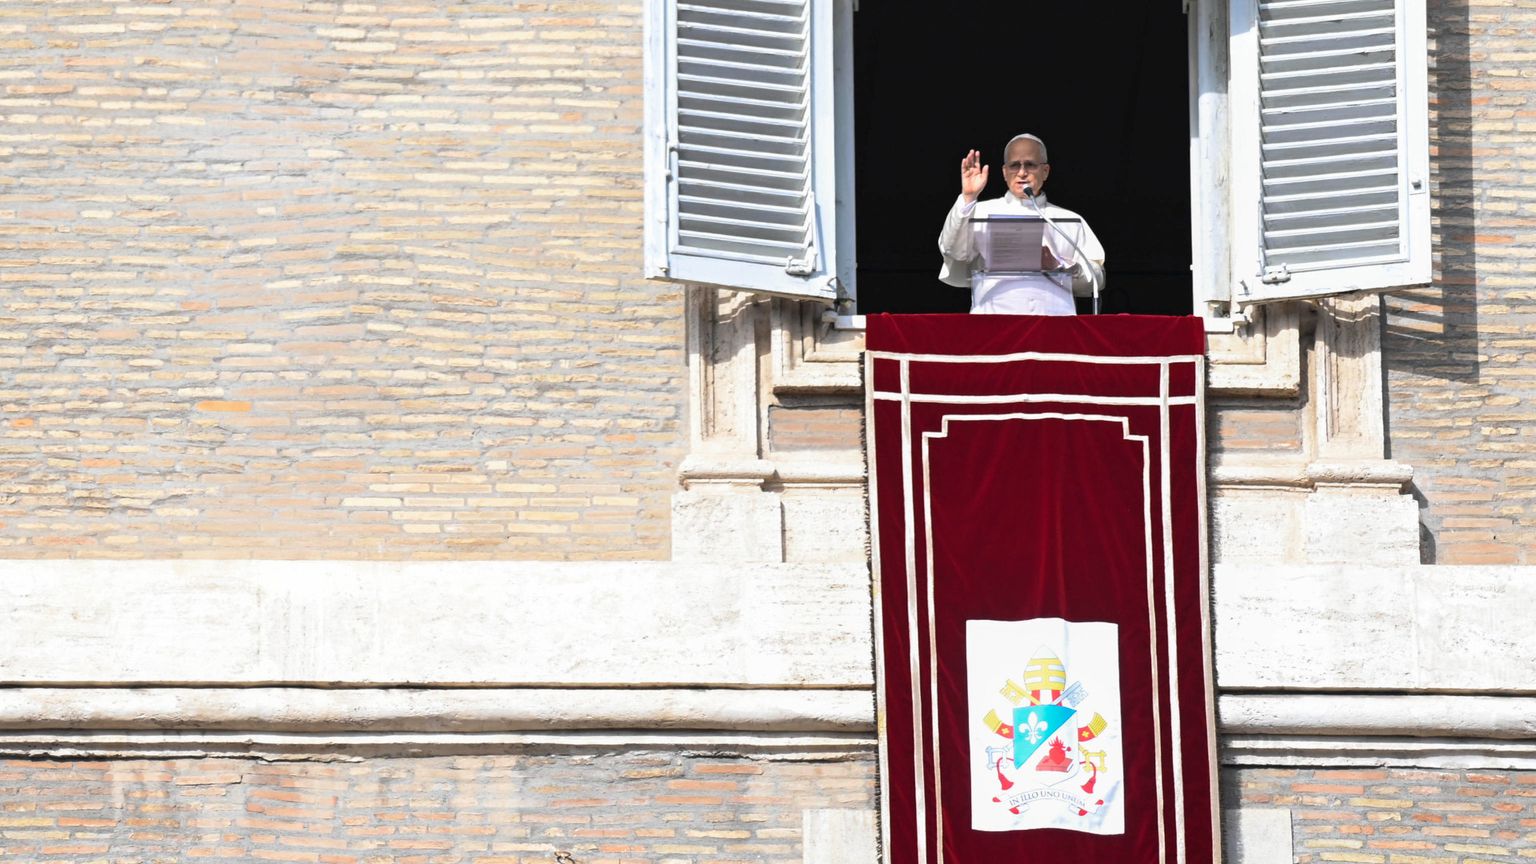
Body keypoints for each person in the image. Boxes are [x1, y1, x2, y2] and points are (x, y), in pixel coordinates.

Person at [938, 133, 1106, 315]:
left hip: (1054, 324)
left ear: (1045, 171)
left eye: (1030, 165)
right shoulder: (978, 212)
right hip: (994, 321)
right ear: (1004, 172)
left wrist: (1060, 267)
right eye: (1014, 165)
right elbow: (952, 251)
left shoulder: (1069, 220)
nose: (1022, 172)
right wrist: (968, 197)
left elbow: (1097, 279)